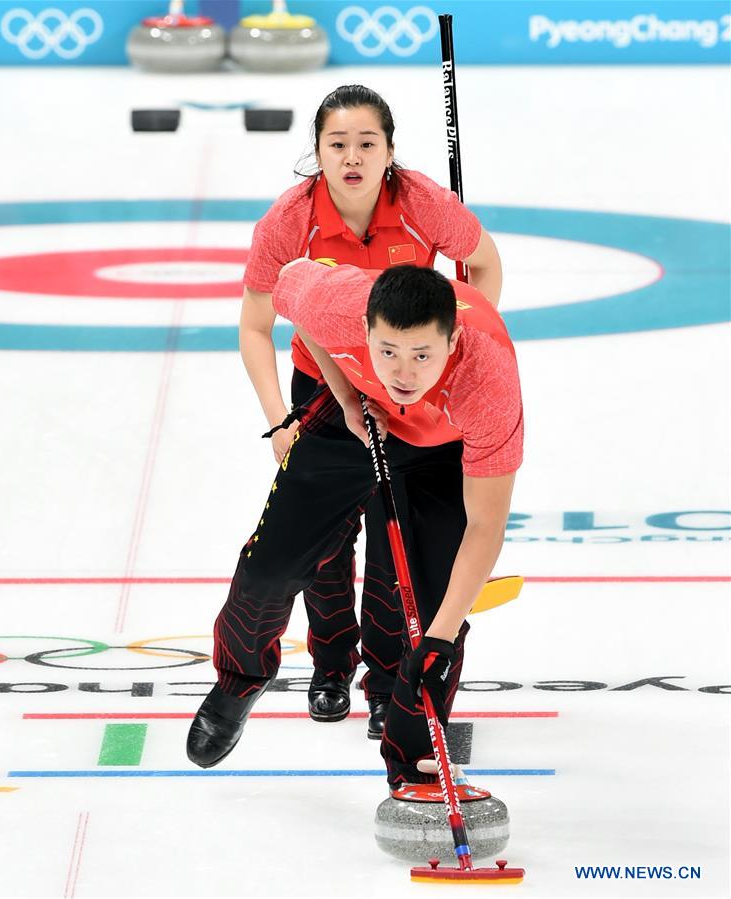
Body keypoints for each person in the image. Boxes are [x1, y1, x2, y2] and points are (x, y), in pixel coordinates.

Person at [187, 260, 522, 786]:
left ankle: (413, 767)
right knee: (268, 572)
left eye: (421, 355)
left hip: (438, 447)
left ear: (453, 341)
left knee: (434, 622)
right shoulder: (334, 304)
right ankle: (240, 678)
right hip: (355, 420)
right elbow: (290, 290)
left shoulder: (488, 385)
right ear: (364, 329)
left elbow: (485, 525)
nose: (403, 373)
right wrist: (346, 396)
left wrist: (442, 635)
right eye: (387, 352)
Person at [240, 84, 503, 737]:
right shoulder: (289, 220)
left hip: (405, 390)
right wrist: (281, 417)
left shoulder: (421, 204)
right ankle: (330, 665)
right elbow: (254, 325)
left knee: (400, 545)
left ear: (389, 151)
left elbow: (483, 264)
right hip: (323, 387)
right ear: (318, 152)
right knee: (328, 544)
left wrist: (464, 343)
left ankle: (389, 682)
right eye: (337, 144)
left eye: (367, 144)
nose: (352, 157)